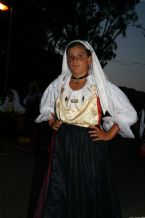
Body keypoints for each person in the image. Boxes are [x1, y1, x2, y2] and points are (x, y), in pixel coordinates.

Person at [34, 40, 137, 218]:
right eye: (70, 57)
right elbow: (47, 107)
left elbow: (128, 113)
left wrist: (108, 134)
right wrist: (52, 121)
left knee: (87, 190)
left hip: (89, 144)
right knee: (60, 189)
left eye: (80, 56)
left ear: (89, 59)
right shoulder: (59, 84)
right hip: (63, 145)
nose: (74, 61)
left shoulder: (99, 86)